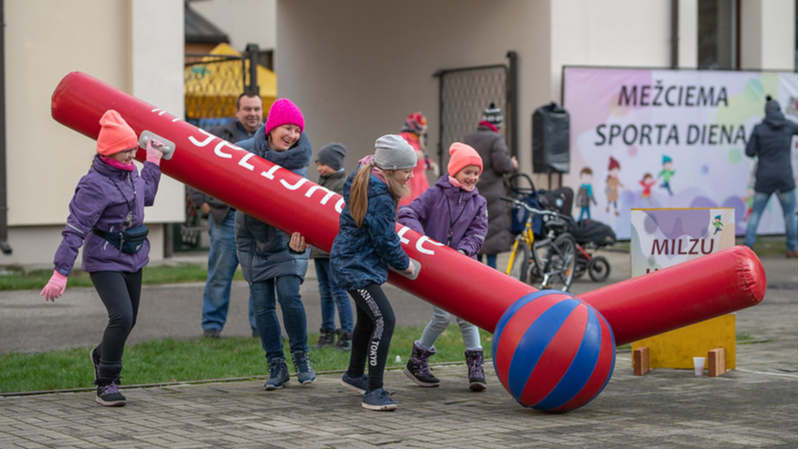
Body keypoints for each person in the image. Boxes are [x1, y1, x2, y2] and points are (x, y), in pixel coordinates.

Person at [40, 109, 164, 407]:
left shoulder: (131, 172)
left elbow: (145, 196)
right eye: (126, 150)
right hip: (104, 259)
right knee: (120, 316)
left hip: (134, 256)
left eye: (134, 148)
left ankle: (100, 354)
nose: (132, 154)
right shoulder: (93, 184)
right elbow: (75, 228)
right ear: (109, 151)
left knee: (129, 320)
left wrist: (153, 163)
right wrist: (61, 272)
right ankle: (107, 383)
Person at [330, 134, 417, 411]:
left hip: (354, 262)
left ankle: (354, 375)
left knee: (368, 321)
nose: (410, 176)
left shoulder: (370, 179)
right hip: (356, 267)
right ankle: (374, 391)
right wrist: (406, 265)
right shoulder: (378, 193)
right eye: (406, 171)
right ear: (390, 170)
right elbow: (385, 239)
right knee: (385, 319)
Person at [235, 98, 317, 390]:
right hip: (253, 240)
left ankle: (300, 356)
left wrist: (300, 242)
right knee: (262, 305)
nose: (292, 135)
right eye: (287, 127)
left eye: (297, 130)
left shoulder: (298, 164)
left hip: (287, 241)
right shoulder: (244, 152)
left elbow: (303, 208)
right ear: (271, 127)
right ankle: (276, 365)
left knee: (289, 295)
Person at [398, 142, 488, 391]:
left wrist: (463, 252)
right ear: (454, 171)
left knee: (467, 317)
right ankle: (418, 360)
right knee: (441, 316)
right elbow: (407, 213)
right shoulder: (435, 194)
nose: (472, 178)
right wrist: (421, 241)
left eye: (476, 173)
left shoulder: (478, 203)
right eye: (467, 172)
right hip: (437, 267)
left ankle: (475, 366)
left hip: (462, 267)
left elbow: (478, 233)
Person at [188, 92, 263, 339]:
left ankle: (260, 327)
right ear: (237, 111)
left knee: (260, 276)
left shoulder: (269, 136)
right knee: (220, 275)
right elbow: (196, 166)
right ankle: (212, 327)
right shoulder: (221, 135)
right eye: (247, 109)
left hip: (260, 220)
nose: (252, 113)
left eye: (257, 109)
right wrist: (202, 202)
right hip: (227, 217)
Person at [309, 142, 354, 351]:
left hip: (333, 249)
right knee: (325, 292)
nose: (320, 168)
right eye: (318, 164)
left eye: (324, 164)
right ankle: (327, 331)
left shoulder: (342, 185)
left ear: (335, 164)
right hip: (319, 249)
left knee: (338, 292)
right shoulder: (323, 183)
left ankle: (346, 333)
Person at [462, 102, 518, 269]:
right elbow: (502, 165)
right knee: (491, 232)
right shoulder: (496, 139)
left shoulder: (469, 138)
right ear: (497, 124)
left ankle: (475, 271)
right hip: (493, 194)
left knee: (474, 230)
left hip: (472, 189)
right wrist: (513, 164)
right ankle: (491, 274)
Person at [744, 95, 799, 258]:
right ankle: (792, 248)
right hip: (784, 177)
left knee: (756, 213)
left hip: (764, 177)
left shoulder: (759, 128)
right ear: (780, 111)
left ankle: (748, 247)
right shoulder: (788, 126)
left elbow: (749, 151)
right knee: (789, 215)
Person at [398, 112, 438, 207]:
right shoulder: (402, 138)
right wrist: (411, 155)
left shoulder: (420, 139)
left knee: (422, 206)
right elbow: (397, 156)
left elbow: (424, 156)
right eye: (422, 124)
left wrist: (430, 164)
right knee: (407, 206)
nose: (425, 128)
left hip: (421, 180)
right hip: (409, 180)